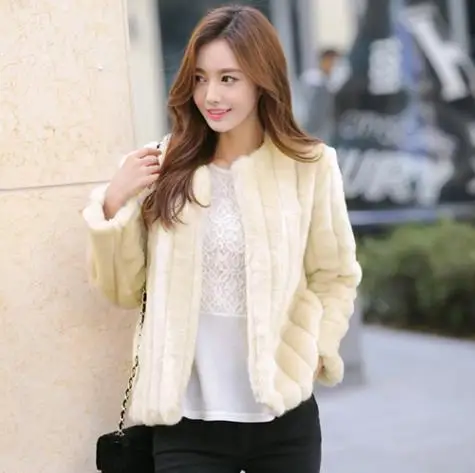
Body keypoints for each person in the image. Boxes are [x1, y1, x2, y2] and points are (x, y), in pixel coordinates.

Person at [83, 5, 361, 473]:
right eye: (200, 78)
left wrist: (316, 350)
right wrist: (113, 204)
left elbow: (334, 275)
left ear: (262, 80)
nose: (210, 95)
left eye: (228, 79)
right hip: (186, 424)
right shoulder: (163, 165)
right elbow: (123, 290)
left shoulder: (310, 166)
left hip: (283, 420)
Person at [301, 48, 342, 141]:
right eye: (328, 61)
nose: (331, 65)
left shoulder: (335, 81)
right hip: (311, 127)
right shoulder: (312, 78)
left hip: (329, 128)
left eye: (333, 62)